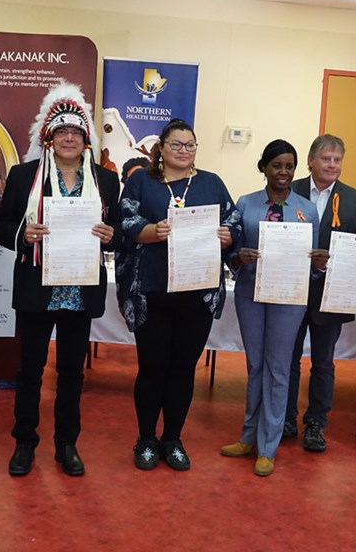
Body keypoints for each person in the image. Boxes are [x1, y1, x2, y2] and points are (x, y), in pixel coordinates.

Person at [0, 82, 121, 477]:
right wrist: (23, 235)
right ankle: (24, 442)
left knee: (71, 372)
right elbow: (2, 227)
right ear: (49, 137)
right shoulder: (23, 176)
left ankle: (67, 444)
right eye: (62, 131)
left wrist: (110, 234)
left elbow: (117, 227)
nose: (70, 137)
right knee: (29, 370)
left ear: (86, 140)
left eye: (77, 132)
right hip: (37, 288)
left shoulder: (106, 180)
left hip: (79, 290)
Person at [117, 119, 240, 471]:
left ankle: (172, 438)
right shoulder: (141, 181)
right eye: (176, 144)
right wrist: (152, 231)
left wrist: (228, 236)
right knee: (152, 368)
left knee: (183, 370)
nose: (183, 151)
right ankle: (145, 439)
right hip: (153, 291)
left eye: (190, 145)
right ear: (162, 147)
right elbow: (123, 222)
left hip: (196, 295)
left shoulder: (211, 183)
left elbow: (233, 221)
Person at [220, 139, 319, 476]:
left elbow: (313, 260)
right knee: (255, 366)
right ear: (263, 167)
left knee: (278, 369)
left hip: (289, 297)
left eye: (290, 166)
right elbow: (229, 250)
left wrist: (319, 262)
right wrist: (238, 257)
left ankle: (268, 445)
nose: (284, 172)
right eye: (277, 165)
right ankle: (248, 436)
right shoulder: (245, 204)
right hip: (250, 293)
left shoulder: (308, 208)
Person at [284, 133, 356, 452]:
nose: (332, 165)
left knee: (323, 362)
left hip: (331, 294)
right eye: (326, 159)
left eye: (337, 160)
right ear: (311, 161)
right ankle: (284, 417)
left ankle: (316, 423)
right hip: (291, 290)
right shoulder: (289, 190)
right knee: (288, 358)